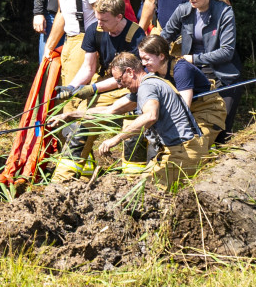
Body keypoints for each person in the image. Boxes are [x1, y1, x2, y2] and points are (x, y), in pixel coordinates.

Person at [59, 52, 204, 187]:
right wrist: (71, 115)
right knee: (140, 189)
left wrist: (115, 139)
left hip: (182, 152)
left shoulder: (147, 86)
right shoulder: (143, 87)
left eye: (120, 80)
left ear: (130, 71)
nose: (120, 85)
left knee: (146, 193)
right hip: (174, 151)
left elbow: (150, 116)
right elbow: (110, 110)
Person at [51, 0, 146, 179]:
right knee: (80, 127)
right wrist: (72, 88)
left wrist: (93, 89)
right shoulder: (95, 30)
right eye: (98, 19)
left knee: (133, 133)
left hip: (131, 89)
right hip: (104, 84)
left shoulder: (136, 36)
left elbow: (128, 78)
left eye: (105, 20)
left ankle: (134, 181)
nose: (100, 24)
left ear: (119, 17)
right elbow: (88, 67)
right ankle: (63, 180)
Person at [159, 0, 243, 139]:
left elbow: (227, 52)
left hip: (223, 75)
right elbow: (164, 37)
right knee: (194, 125)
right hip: (194, 73)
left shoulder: (225, 13)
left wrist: (193, 59)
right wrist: (150, 54)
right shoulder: (183, 10)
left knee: (220, 130)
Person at [137, 35, 226, 161]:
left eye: (146, 59)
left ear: (161, 56)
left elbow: (183, 109)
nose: (143, 63)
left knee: (193, 147)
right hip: (187, 113)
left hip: (207, 111)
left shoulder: (181, 69)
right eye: (141, 59)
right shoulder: (153, 71)